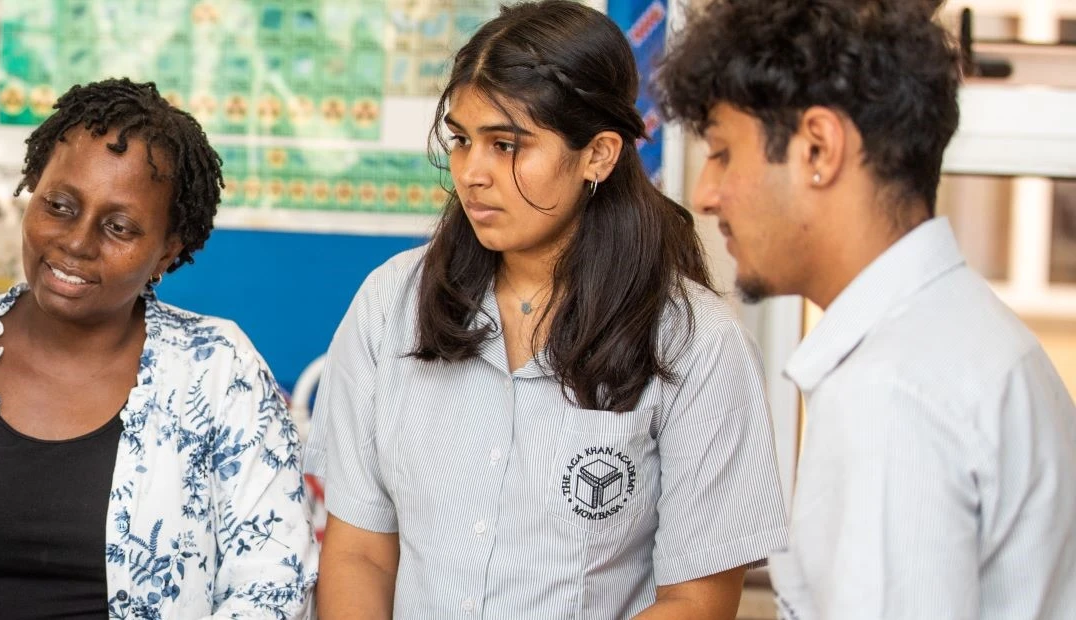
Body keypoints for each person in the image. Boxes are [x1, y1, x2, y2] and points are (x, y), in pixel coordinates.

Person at [313, 2, 787, 618]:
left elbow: (697, 601)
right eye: (460, 140)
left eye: (507, 145)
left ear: (598, 155)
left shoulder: (697, 344)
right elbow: (360, 556)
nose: (472, 174)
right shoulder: (390, 305)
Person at [0, 78, 315, 619]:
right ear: (31, 191)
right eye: (60, 205)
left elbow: (271, 592)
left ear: (168, 250)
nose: (77, 241)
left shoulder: (219, 371)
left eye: (118, 227)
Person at [657, 1, 1076, 617]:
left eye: (722, 152)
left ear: (819, 149)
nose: (706, 193)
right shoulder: (965, 334)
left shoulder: (891, 390)